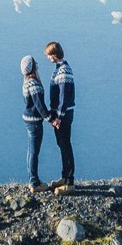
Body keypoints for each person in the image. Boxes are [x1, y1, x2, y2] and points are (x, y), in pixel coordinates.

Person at [44, 41, 75, 190]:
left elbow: (64, 97)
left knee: (65, 145)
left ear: (54, 55)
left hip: (63, 115)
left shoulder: (63, 71)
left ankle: (69, 181)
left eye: (49, 55)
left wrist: (59, 117)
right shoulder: (59, 69)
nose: (48, 58)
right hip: (59, 114)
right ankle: (64, 177)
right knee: (62, 145)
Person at [20, 55, 50, 192]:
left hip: (27, 119)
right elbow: (39, 105)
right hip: (34, 122)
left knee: (31, 151)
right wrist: (50, 118)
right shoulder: (34, 84)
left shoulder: (26, 82)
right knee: (34, 152)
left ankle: (32, 179)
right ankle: (34, 183)